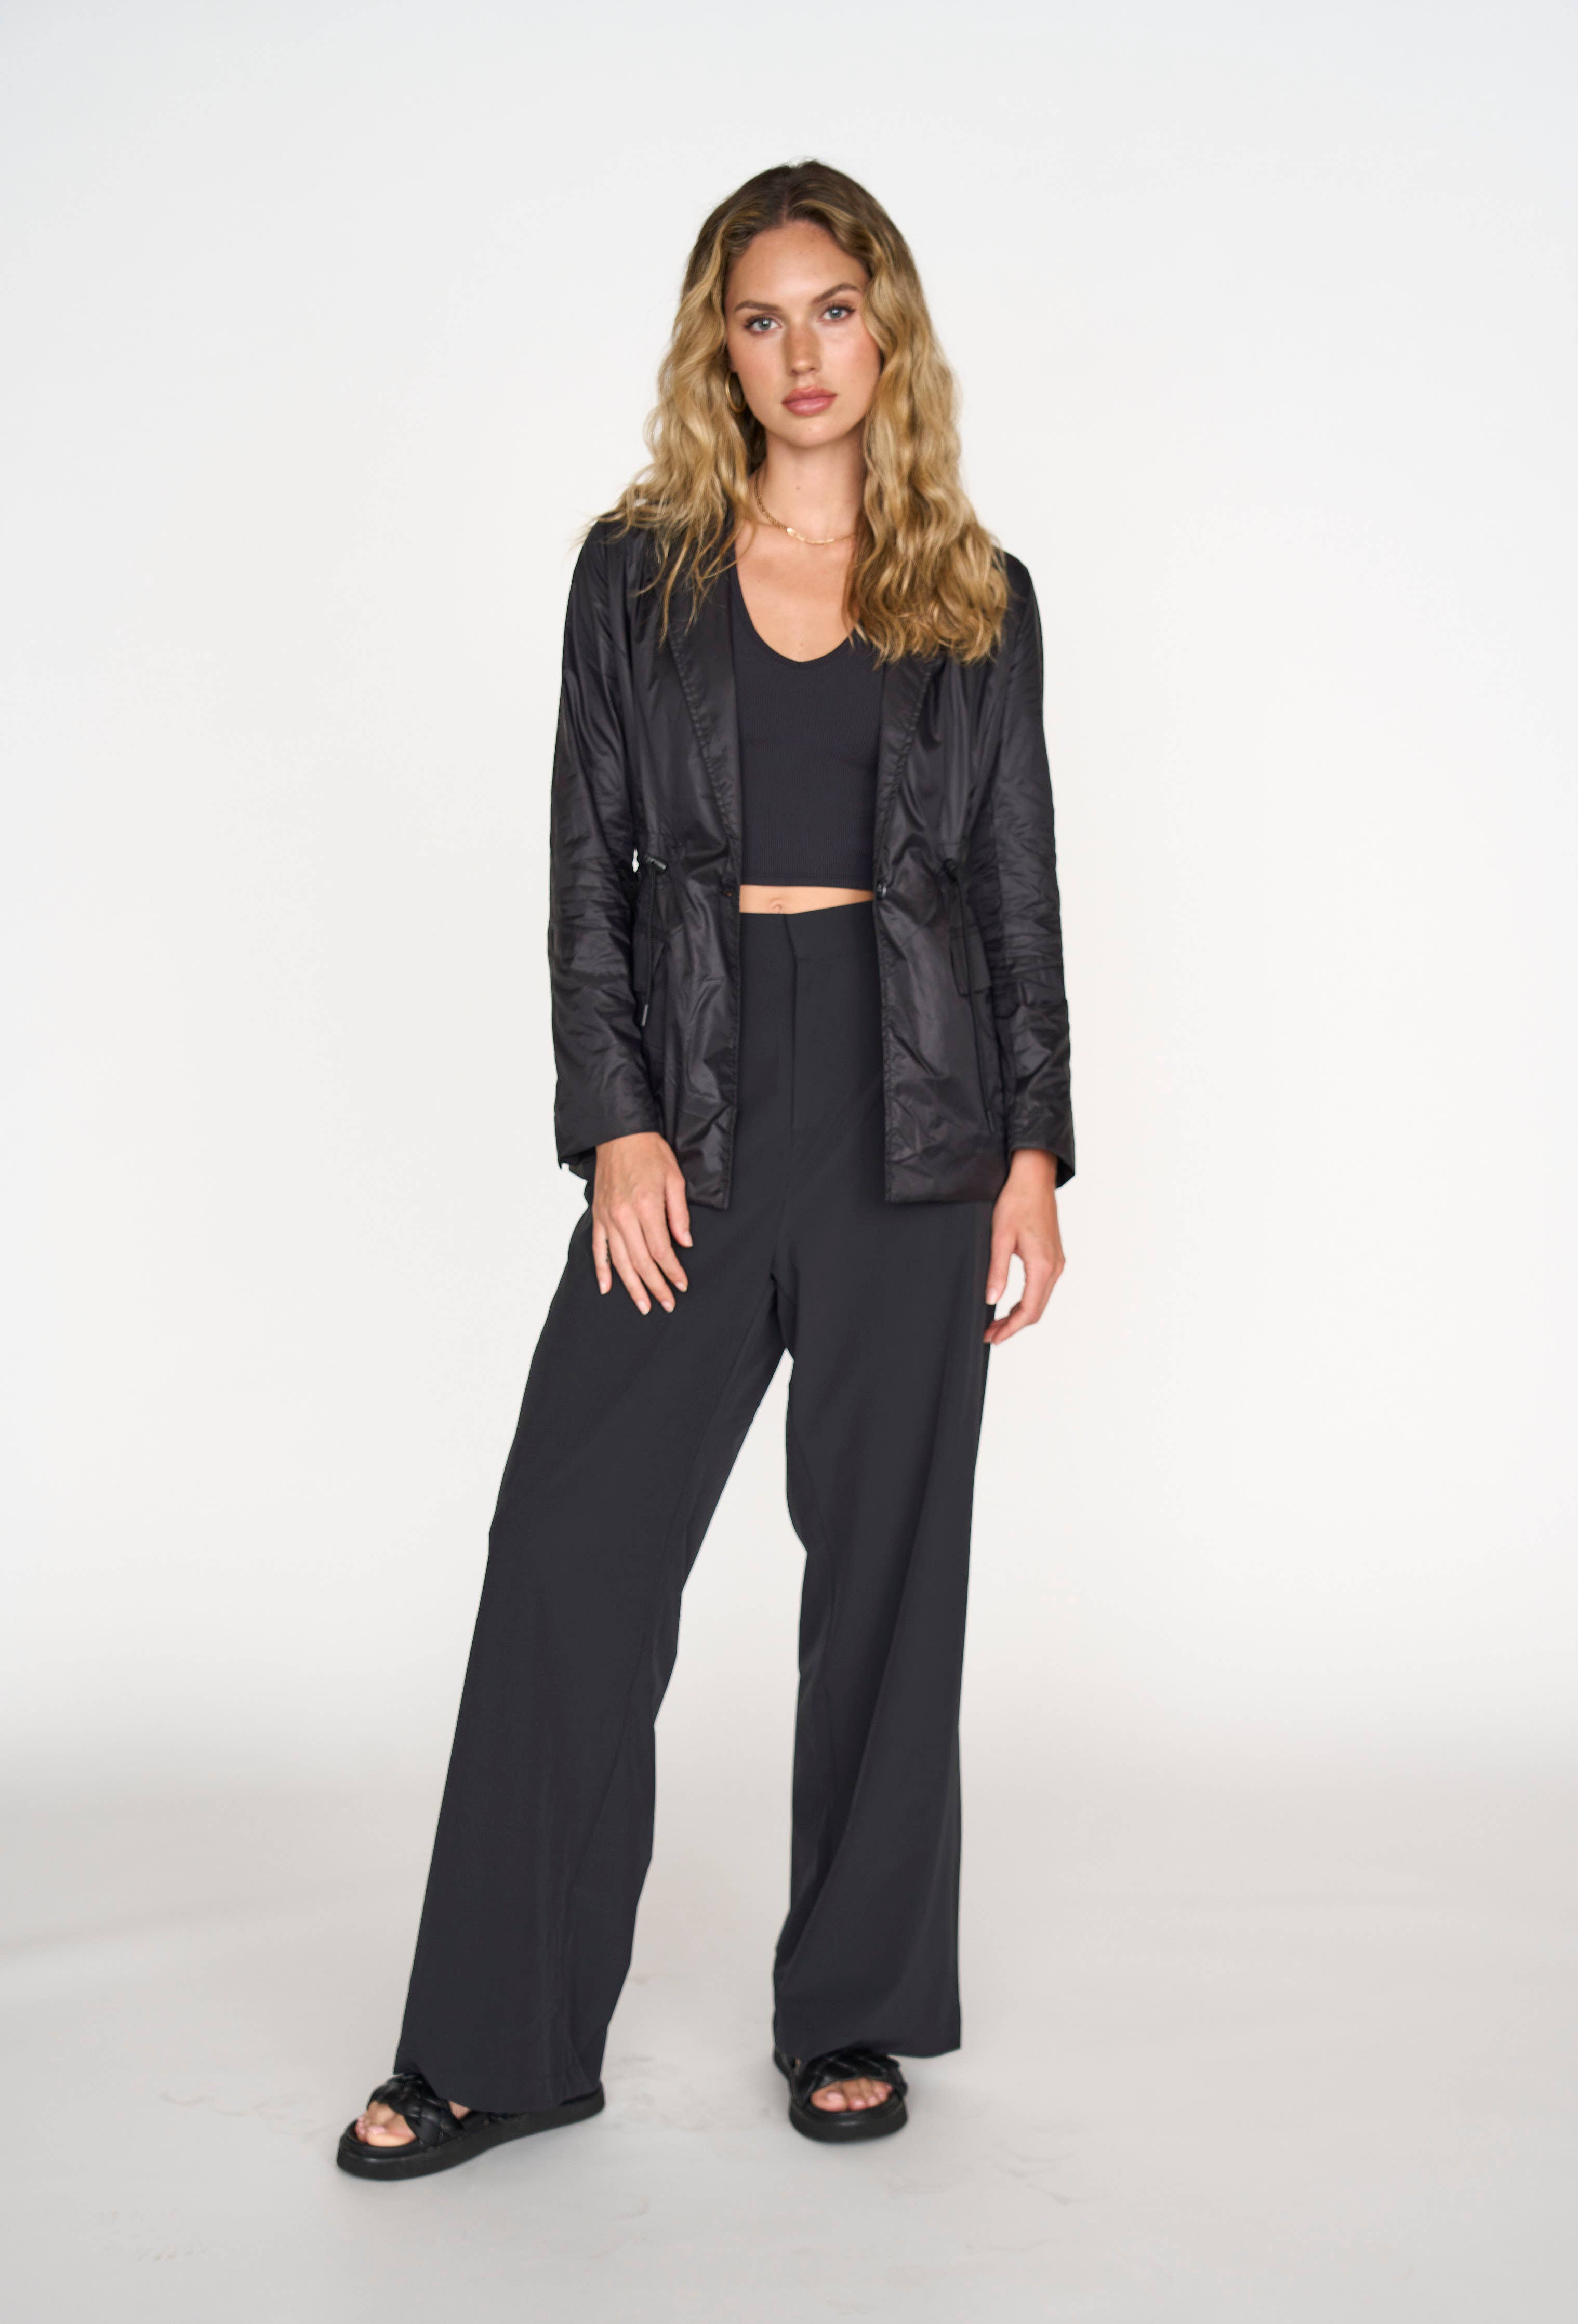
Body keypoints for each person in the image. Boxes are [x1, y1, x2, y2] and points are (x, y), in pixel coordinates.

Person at [336, 157, 1074, 2181]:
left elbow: (1014, 887)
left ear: (886, 330)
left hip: (917, 1114)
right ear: (716, 349)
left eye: (834, 310)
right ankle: (502, 2041)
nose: (801, 352)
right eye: (762, 318)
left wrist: (1032, 1151)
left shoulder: (979, 594)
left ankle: (850, 2006)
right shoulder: (636, 575)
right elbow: (586, 864)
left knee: (889, 1579)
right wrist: (619, 1118)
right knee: (569, 1549)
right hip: (703, 1088)